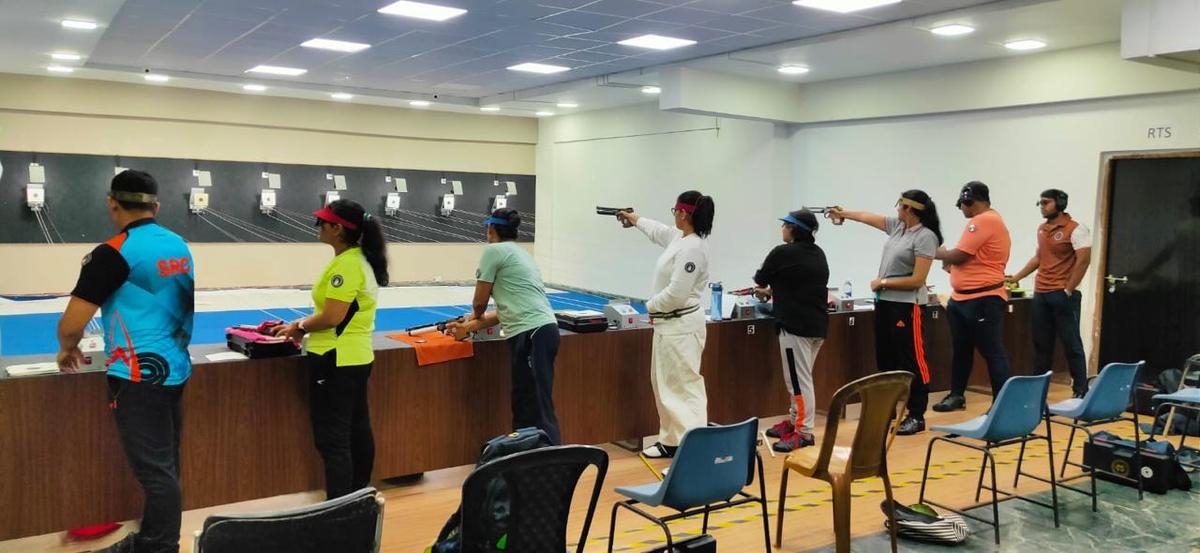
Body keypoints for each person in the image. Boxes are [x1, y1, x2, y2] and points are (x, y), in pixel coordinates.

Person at [57, 170, 195, 553]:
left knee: (155, 471)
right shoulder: (178, 245)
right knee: (165, 467)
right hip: (175, 367)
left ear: (112, 203)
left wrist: (67, 347)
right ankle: (155, 538)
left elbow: (72, 325)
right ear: (157, 206)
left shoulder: (113, 252)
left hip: (138, 374)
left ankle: (160, 545)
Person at [274, 199, 388, 499]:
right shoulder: (357, 260)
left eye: (323, 222)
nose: (318, 227)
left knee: (333, 439)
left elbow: (333, 317)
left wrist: (299, 327)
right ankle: (358, 498)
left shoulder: (348, 265)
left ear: (338, 229)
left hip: (335, 358)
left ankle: (338, 507)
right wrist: (302, 324)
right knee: (356, 430)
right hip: (354, 356)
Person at [830, 191, 943, 435]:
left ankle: (916, 415)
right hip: (885, 303)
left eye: (900, 206)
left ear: (910, 209)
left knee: (912, 360)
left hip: (907, 306)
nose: (897, 211)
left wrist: (883, 282)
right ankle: (887, 409)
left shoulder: (925, 236)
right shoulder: (898, 228)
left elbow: (918, 279)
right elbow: (866, 217)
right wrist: (843, 214)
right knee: (887, 358)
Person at [447, 208, 562, 444]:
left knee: (538, 403)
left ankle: (550, 459)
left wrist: (472, 318)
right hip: (539, 330)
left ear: (491, 229)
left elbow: (480, 302)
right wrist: (468, 326)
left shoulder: (494, 251)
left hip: (533, 333)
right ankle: (523, 455)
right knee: (523, 400)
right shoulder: (521, 254)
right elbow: (503, 312)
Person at [614, 191, 714, 459]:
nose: (673, 217)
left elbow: (677, 294)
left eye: (675, 211)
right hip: (669, 325)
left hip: (680, 325)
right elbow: (658, 230)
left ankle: (692, 451)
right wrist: (634, 219)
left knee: (684, 388)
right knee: (665, 386)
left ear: (683, 213)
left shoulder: (693, 248)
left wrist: (648, 306)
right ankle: (670, 441)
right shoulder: (680, 238)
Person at [752, 209, 829, 451]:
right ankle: (795, 421)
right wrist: (775, 293)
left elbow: (761, 279)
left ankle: (804, 432)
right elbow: (801, 284)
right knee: (800, 379)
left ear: (793, 229)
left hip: (795, 327)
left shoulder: (782, 253)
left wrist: (766, 290)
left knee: (798, 382)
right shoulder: (818, 254)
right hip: (817, 326)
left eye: (785, 225)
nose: (782, 229)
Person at [933, 181, 1012, 412]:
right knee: (961, 350)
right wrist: (950, 261)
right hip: (962, 298)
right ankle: (957, 394)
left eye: (962, 205)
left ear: (970, 201)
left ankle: (1001, 404)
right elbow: (967, 259)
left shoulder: (984, 220)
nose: (961, 210)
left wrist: (931, 251)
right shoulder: (986, 221)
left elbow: (959, 256)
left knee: (992, 352)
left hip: (983, 299)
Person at [1005, 189, 1092, 398]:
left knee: (1071, 343)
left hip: (1063, 294)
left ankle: (1080, 390)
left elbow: (1083, 261)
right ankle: (1038, 392)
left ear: (1059, 203)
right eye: (1041, 203)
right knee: (1041, 346)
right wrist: (1015, 277)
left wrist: (1068, 289)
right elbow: (1038, 258)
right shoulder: (1042, 228)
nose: (1042, 207)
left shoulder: (1076, 229)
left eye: (1046, 203)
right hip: (1041, 293)